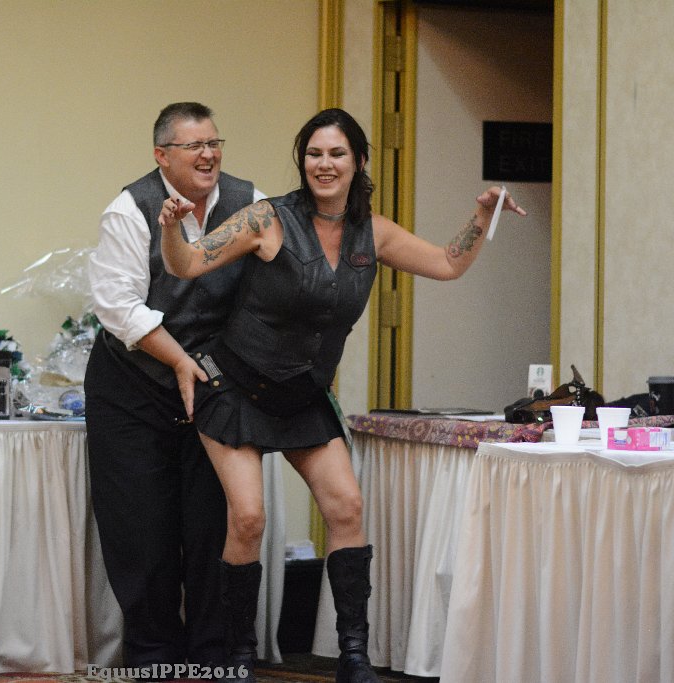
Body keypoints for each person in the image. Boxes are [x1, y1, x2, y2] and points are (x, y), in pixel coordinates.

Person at [159, 108, 526, 683]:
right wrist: (170, 227)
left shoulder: (372, 233)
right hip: (233, 387)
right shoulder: (266, 219)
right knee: (248, 517)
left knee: (347, 507)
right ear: (302, 162)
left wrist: (483, 215)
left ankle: (353, 654)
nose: (323, 164)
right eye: (313, 154)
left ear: (359, 161)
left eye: (336, 154)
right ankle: (237, 656)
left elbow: (446, 264)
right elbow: (185, 264)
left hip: (303, 394)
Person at [84, 102, 265, 675]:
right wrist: (181, 362)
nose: (209, 155)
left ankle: (215, 657)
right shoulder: (129, 209)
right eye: (194, 146)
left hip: (216, 387)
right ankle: (153, 660)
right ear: (162, 155)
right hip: (132, 387)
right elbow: (118, 306)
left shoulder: (250, 202)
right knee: (142, 531)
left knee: (215, 525)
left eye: (215, 143)